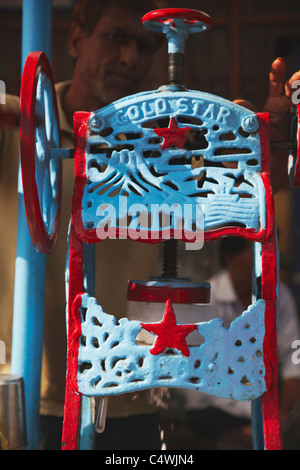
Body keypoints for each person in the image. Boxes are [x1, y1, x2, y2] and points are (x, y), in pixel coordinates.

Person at [1, 0, 300, 450]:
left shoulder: (169, 150)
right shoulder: (19, 125)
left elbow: (244, 186)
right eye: (116, 38)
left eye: (144, 46)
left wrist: (266, 146)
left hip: (137, 398)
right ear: (76, 39)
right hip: (27, 394)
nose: (131, 59)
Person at [171, 237, 300, 450]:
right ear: (229, 258)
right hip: (213, 408)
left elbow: (293, 353)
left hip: (264, 407)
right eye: (255, 255)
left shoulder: (279, 294)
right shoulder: (208, 298)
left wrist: (283, 414)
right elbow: (194, 370)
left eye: (269, 255)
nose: (264, 262)